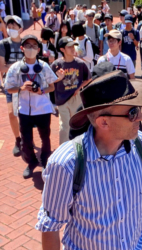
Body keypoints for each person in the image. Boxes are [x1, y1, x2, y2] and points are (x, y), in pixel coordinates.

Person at [35, 68, 142, 250]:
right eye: (132, 113)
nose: (141, 117)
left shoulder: (141, 145)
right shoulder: (66, 163)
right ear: (103, 123)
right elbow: (50, 227)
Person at [4, 35, 58, 178]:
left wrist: (42, 90)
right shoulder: (15, 68)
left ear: (39, 49)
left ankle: (46, 160)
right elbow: (8, 88)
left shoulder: (44, 67)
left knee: (45, 137)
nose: (31, 48)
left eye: (34, 46)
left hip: (43, 109)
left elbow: (52, 86)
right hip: (24, 110)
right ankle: (31, 162)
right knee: (26, 140)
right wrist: (21, 88)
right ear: (22, 48)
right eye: (27, 45)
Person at [51, 37, 91, 144]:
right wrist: (58, 78)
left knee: (76, 123)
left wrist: (79, 88)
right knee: (64, 125)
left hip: (75, 97)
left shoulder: (80, 63)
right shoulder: (56, 65)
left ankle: (77, 146)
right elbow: (48, 81)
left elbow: (88, 78)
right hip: (62, 99)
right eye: (69, 47)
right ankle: (63, 148)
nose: (73, 49)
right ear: (62, 49)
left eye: (73, 46)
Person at [0, 15, 24, 157]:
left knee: (26, 114)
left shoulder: (27, 42)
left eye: (13, 26)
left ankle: (26, 138)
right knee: (11, 113)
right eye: (9, 27)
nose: (10, 29)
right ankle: (17, 139)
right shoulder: (4, 44)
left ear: (20, 28)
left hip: (25, 84)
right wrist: (18, 67)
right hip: (11, 84)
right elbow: (2, 68)